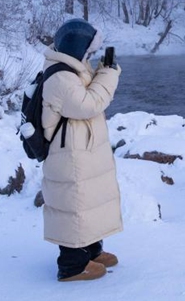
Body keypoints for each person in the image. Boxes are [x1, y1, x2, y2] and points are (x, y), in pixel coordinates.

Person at [40, 18, 122, 282]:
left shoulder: (72, 68)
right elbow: (88, 104)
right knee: (75, 205)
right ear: (77, 47)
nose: (91, 55)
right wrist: (109, 74)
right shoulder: (60, 77)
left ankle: (92, 251)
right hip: (70, 155)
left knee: (89, 201)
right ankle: (72, 266)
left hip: (81, 150)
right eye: (89, 51)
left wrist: (100, 71)